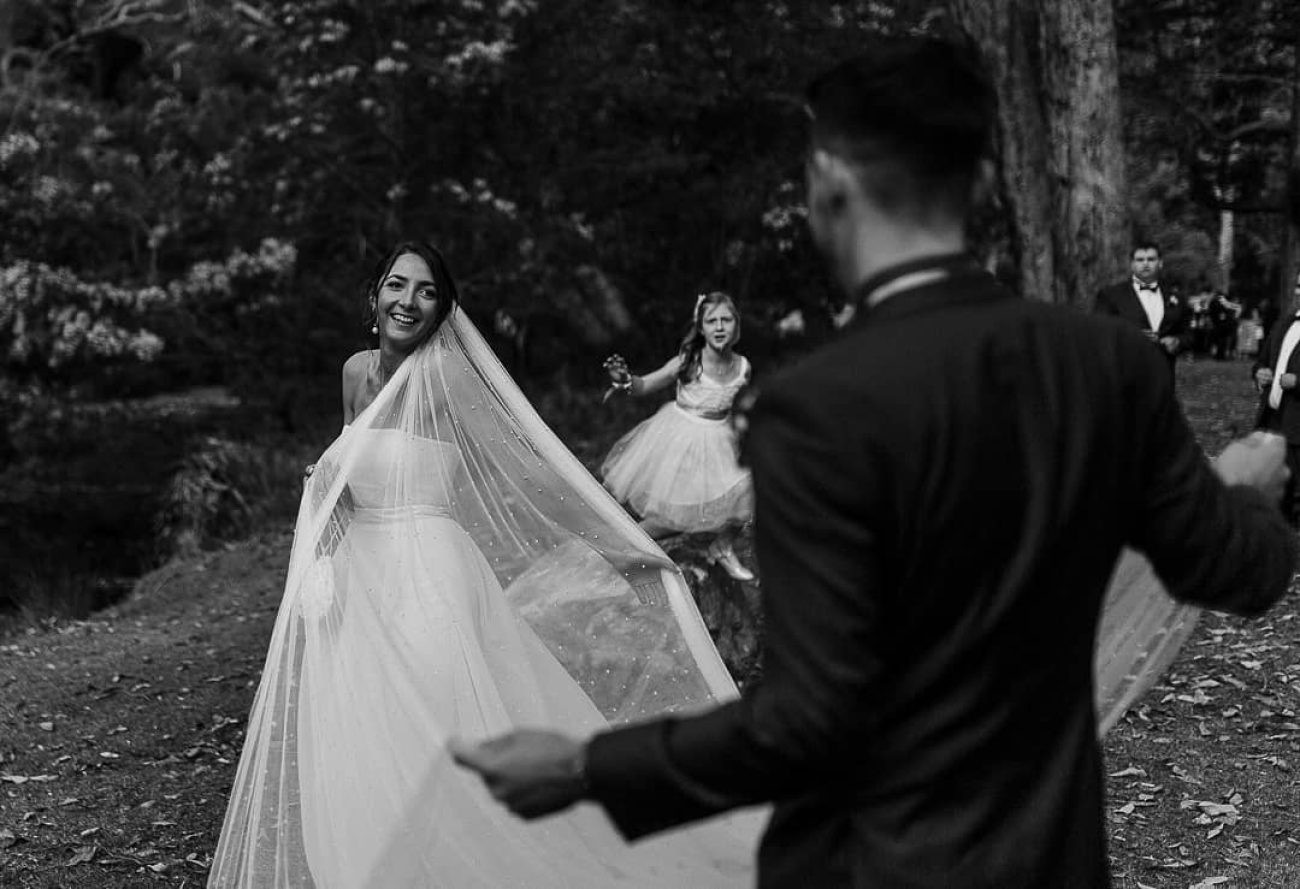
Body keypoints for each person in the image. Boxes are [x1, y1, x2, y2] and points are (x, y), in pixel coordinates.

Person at [451, 35, 1296, 889]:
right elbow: (1242, 568)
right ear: (988, 188)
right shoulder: (1110, 365)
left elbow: (806, 721)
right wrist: (1247, 489)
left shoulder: (810, 410)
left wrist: (588, 767)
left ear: (827, 185)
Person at [207, 241, 764, 888]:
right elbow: (352, 463)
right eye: (397, 284)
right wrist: (326, 480)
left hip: (431, 576)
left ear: (443, 310)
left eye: (426, 291)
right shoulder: (354, 372)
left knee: (437, 724)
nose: (408, 300)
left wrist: (622, 542)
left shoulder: (445, 380)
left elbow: (529, 469)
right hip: (362, 579)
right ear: (374, 297)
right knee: (368, 735)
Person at [600, 291, 755, 581]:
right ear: (701, 327)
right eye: (712, 321)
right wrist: (626, 381)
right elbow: (645, 385)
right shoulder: (689, 360)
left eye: (726, 320)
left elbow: (735, 406)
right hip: (681, 441)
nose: (719, 327)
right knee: (669, 519)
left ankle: (721, 547)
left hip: (719, 441)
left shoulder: (743, 367)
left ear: (736, 325)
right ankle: (621, 551)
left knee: (752, 490)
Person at [1094, 242, 1191, 373]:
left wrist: (1178, 341)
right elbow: (1100, 333)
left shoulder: (1177, 297)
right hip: (1124, 374)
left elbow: (1189, 334)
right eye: (1140, 260)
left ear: (1160, 263)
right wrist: (1131, 338)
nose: (1145, 264)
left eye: (1151, 259)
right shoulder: (1110, 295)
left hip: (1163, 375)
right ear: (1132, 265)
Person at [1253, 273, 1300, 525]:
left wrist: (1298, 382)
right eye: (1299, 285)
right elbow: (1261, 361)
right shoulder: (1283, 324)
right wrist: (1259, 373)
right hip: (1273, 417)